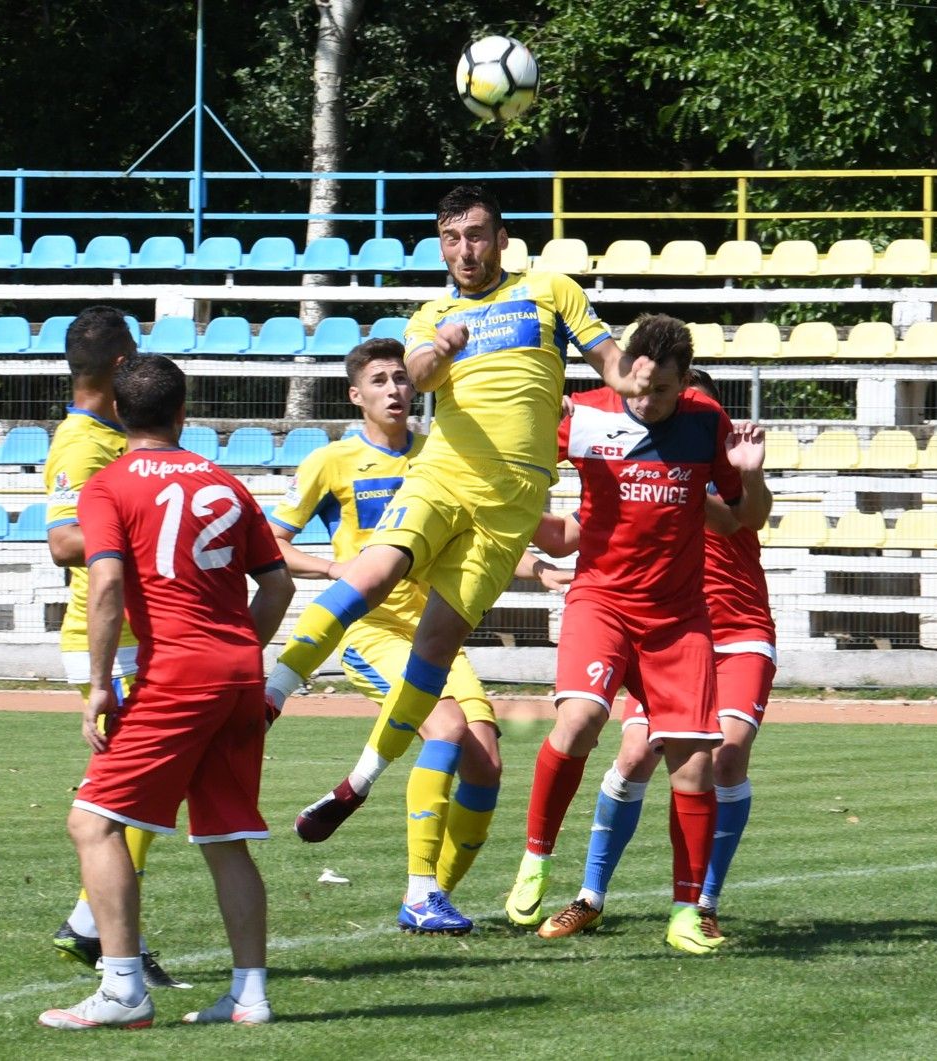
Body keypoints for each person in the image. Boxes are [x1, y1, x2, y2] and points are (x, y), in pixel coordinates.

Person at [263, 183, 653, 842]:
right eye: (451, 238)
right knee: (374, 570)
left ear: (501, 239)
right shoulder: (432, 313)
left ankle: (358, 780)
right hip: (443, 474)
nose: (464, 249)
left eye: (475, 234)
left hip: (513, 503)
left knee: (438, 644)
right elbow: (417, 365)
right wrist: (438, 348)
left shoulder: (551, 290)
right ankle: (265, 700)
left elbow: (608, 359)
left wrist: (634, 380)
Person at [268, 336, 570, 934]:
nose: (395, 390)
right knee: (447, 728)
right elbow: (273, 542)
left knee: (486, 763)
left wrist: (542, 568)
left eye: (402, 379)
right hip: (374, 630)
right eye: (379, 381)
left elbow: (486, 541)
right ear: (356, 395)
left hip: (435, 628)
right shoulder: (330, 463)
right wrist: (337, 570)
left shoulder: (440, 456)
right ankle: (419, 889)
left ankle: (437, 893)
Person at [38, 355, 295, 1031]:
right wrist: (242, 647)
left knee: (92, 821)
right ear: (184, 413)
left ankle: (123, 988)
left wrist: (97, 684)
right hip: (240, 673)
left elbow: (109, 585)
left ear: (119, 414)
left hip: (175, 674)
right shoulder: (226, 481)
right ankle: (250, 994)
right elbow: (278, 585)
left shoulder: (108, 484)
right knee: (225, 835)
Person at [504, 316, 770, 955]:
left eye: (661, 391)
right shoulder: (588, 412)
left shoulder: (707, 423)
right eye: (636, 387)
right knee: (578, 723)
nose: (644, 402)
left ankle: (687, 912)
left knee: (697, 764)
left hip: (679, 621)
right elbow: (537, 477)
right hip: (601, 600)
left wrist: (751, 471)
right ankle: (538, 858)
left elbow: (743, 520)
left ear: (685, 387)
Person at [40, 305, 186, 989]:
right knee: (132, 797)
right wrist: (141, 533)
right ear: (122, 364)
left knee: (150, 792)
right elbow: (63, 541)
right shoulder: (82, 444)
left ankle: (91, 924)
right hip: (107, 646)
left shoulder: (108, 434)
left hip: (131, 640)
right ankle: (101, 934)